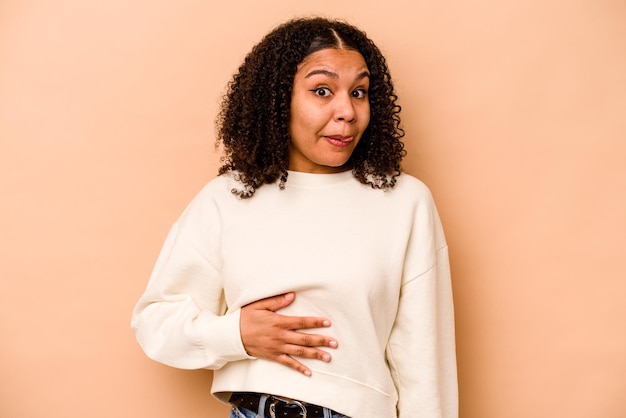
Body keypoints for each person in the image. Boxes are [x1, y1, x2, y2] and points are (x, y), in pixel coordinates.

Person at [131, 17, 458, 418]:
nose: (347, 112)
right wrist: (236, 335)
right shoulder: (226, 199)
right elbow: (155, 322)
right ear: (278, 99)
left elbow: (424, 361)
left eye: (359, 92)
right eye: (322, 91)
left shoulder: (405, 201)